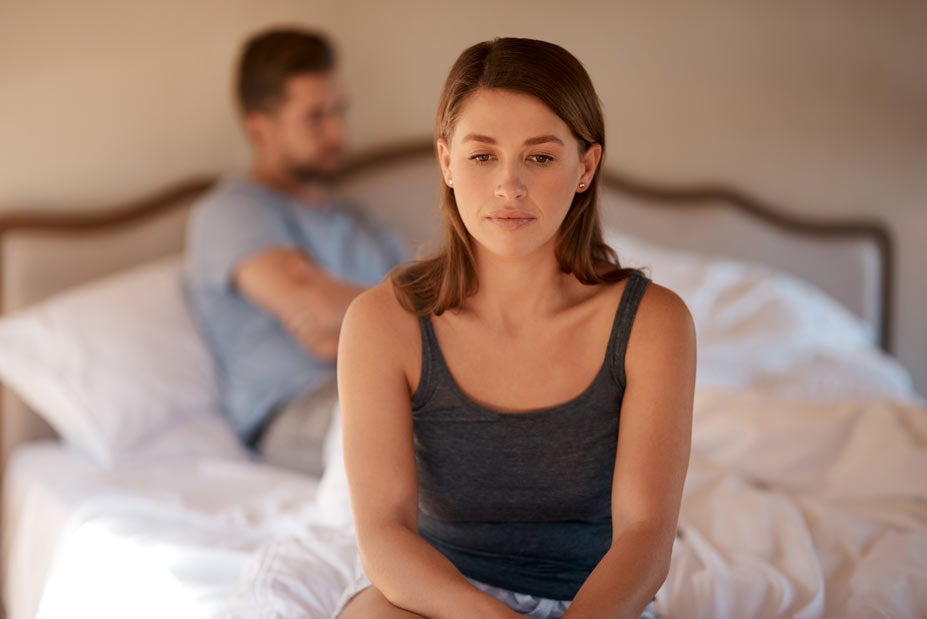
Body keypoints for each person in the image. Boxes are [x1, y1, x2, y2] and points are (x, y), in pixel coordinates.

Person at [336, 38, 696, 619]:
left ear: (585, 167)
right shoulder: (383, 323)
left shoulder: (653, 324)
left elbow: (647, 537)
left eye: (540, 156)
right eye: (482, 156)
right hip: (441, 601)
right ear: (447, 162)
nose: (510, 186)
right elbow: (384, 535)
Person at [184, 27, 407, 475]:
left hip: (394, 385)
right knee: (437, 439)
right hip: (298, 410)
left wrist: (344, 332)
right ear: (260, 129)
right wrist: (388, 323)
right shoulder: (231, 211)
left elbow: (441, 307)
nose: (337, 130)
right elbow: (319, 305)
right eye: (315, 117)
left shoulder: (360, 220)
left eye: (339, 111)